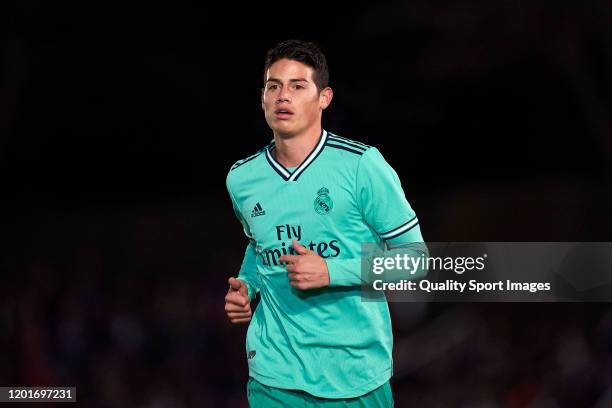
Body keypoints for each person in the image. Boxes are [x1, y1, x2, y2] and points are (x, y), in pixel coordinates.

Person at [224, 39, 425, 407]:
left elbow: (415, 261)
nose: (283, 96)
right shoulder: (242, 178)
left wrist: (332, 271)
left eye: (298, 86)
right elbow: (259, 243)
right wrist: (247, 284)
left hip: (356, 377)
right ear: (263, 99)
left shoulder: (363, 166)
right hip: (274, 376)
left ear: (324, 98)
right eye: (274, 86)